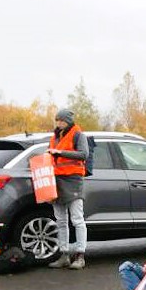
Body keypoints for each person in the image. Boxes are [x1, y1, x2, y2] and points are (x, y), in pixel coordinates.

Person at [46, 108, 90, 270]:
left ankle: (80, 255)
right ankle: (64, 254)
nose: (59, 123)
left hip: (73, 180)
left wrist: (60, 152)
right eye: (57, 120)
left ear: (68, 121)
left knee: (77, 219)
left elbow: (83, 154)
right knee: (61, 220)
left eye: (62, 120)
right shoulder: (55, 136)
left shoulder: (78, 134)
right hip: (56, 181)